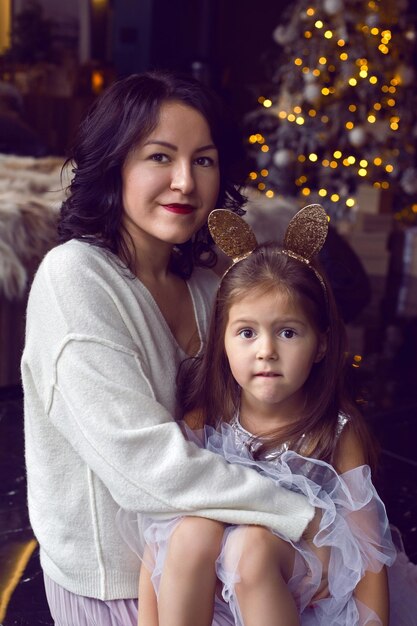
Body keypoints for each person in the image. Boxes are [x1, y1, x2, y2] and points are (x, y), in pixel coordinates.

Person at [21, 71, 317, 626]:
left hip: (215, 557)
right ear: (115, 165)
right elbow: (143, 465)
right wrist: (304, 515)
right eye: (160, 157)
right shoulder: (75, 278)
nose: (185, 181)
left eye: (203, 160)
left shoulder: (208, 285)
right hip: (120, 586)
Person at [131, 205, 417, 625]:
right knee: (189, 529)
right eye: (247, 332)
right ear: (223, 341)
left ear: (320, 344)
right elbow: (159, 538)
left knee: (253, 545)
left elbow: (370, 556)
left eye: (288, 332)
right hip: (214, 589)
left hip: (300, 579)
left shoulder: (337, 432)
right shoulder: (206, 415)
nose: (266, 350)